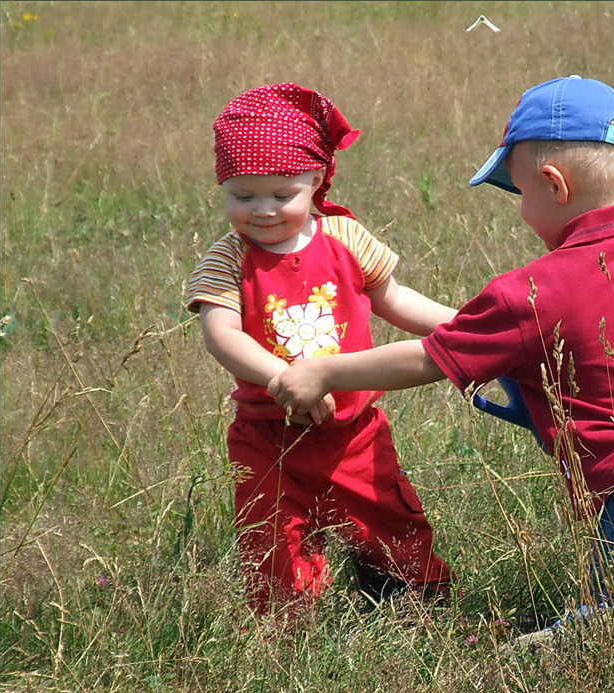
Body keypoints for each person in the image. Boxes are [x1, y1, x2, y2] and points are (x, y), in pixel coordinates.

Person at [266, 76, 614, 619]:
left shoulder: (530, 290)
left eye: (520, 192)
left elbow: (427, 357)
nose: (520, 210)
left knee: (611, 622)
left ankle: (525, 657)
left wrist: (326, 373)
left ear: (556, 185)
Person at [185, 82, 454, 617]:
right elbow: (222, 333)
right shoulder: (228, 258)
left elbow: (394, 299)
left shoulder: (344, 237)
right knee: (272, 550)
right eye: (242, 195)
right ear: (222, 188)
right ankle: (290, 633)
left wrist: (465, 325)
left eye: (282, 194)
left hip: (355, 435)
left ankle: (416, 606)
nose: (262, 210)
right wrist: (284, 379)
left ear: (314, 179)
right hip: (268, 439)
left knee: (394, 529)